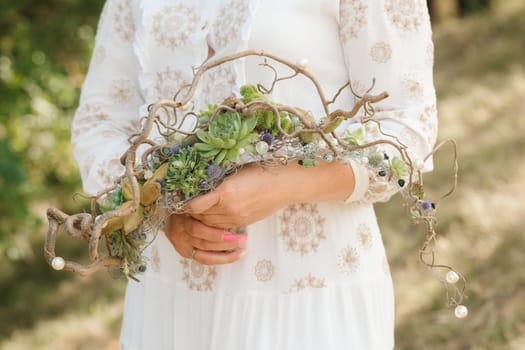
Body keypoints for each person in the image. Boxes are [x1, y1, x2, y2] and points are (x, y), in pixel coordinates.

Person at [72, 0, 438, 348]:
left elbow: (408, 127)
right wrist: (159, 213)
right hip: (169, 299)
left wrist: (287, 184)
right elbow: (98, 124)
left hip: (311, 291)